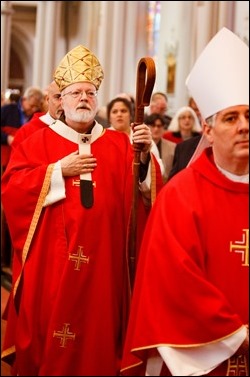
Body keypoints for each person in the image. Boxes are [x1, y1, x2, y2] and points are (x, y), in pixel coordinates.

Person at [1, 44, 161, 376]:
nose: (84, 98)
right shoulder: (36, 143)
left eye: (90, 92)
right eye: (75, 92)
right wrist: (58, 170)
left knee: (100, 345)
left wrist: (144, 159)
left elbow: (143, 197)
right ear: (60, 100)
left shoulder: (120, 145)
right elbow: (13, 191)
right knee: (51, 340)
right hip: (52, 269)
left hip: (106, 270)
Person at [120, 27, 249, 376]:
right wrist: (239, 336)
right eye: (231, 118)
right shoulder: (180, 195)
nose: (243, 127)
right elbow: (174, 281)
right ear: (207, 130)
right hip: (199, 359)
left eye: (249, 116)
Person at [107, 96, 165, 182]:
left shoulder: (141, 136)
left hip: (136, 189)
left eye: (123, 111)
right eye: (115, 112)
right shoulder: (103, 138)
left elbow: (158, 168)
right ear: (109, 118)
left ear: (131, 115)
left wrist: (145, 155)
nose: (119, 114)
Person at [11, 81, 63, 149]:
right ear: (47, 100)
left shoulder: (79, 129)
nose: (63, 103)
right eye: (58, 97)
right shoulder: (26, 132)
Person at [1, 85, 44, 167]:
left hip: (23, 159)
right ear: (24, 99)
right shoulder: (7, 110)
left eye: (36, 107)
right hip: (5, 156)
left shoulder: (37, 115)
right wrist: (7, 138)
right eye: (31, 106)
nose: (34, 109)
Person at [145, 113, 176, 183]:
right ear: (147, 127)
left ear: (163, 128)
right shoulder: (141, 146)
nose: (156, 129)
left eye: (159, 126)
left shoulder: (173, 147)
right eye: (153, 126)